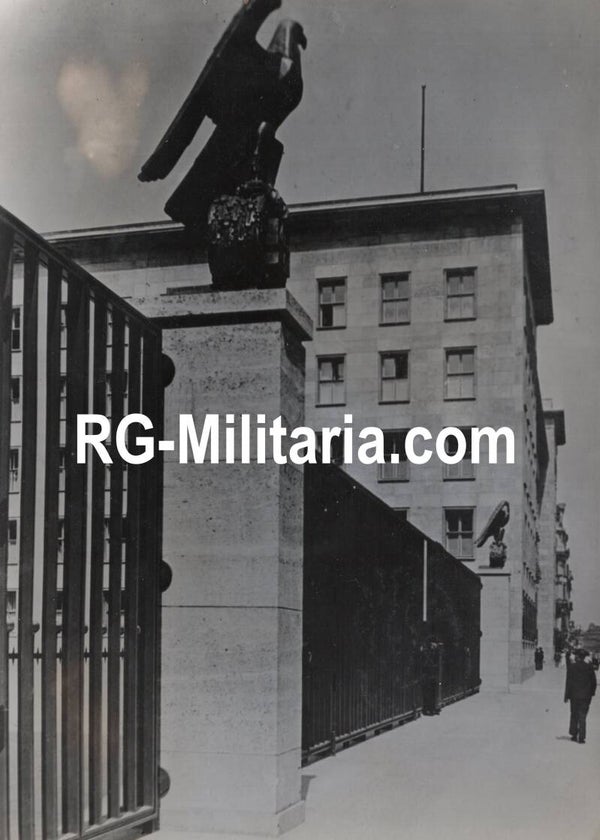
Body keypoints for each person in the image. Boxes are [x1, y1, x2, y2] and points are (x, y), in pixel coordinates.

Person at [564, 648, 597, 743]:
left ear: (577, 656)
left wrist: (566, 696)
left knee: (574, 714)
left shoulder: (572, 667)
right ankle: (582, 737)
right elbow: (593, 682)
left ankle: (574, 735)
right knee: (582, 716)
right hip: (586, 697)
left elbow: (568, 683)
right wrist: (592, 693)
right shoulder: (589, 667)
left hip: (574, 696)